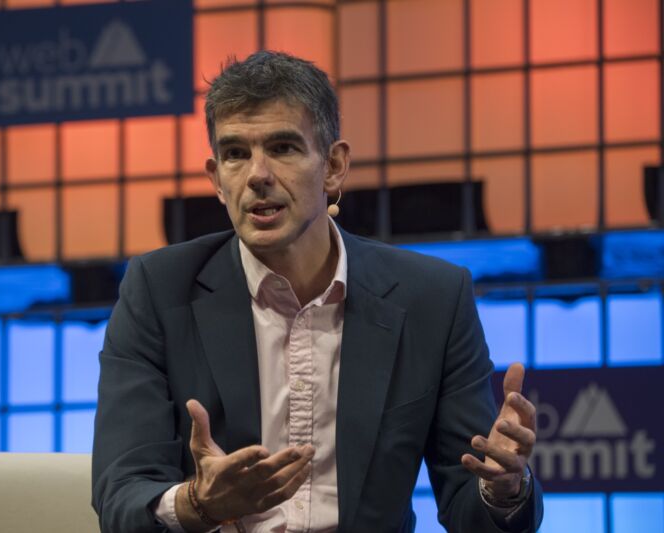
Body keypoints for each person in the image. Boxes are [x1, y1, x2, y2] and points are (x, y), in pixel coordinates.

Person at [92, 51, 543, 533]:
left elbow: (469, 509)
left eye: (283, 148)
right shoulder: (159, 292)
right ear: (217, 181)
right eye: (235, 154)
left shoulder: (432, 298)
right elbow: (121, 495)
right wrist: (199, 505)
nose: (257, 175)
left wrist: (503, 489)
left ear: (333, 166)